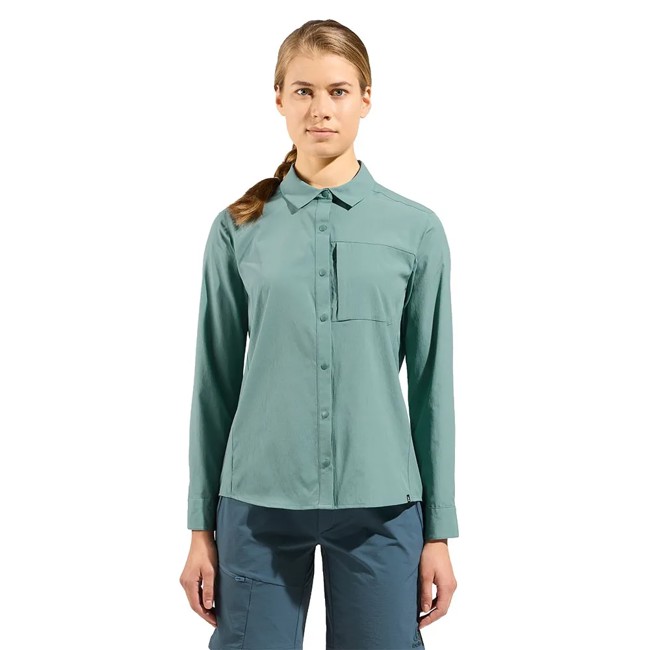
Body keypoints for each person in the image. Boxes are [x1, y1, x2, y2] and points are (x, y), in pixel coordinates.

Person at [179, 18, 459, 650]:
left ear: (366, 99)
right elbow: (213, 385)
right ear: (279, 98)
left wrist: (438, 533)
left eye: (338, 91)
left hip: (382, 507)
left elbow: (432, 390)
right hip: (257, 505)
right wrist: (200, 528)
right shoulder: (237, 229)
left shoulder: (416, 231)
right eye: (303, 91)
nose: (320, 109)